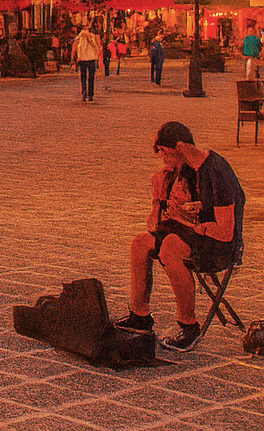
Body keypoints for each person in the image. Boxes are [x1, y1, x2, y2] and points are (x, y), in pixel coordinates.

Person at [118, 121, 245, 352]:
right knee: (140, 244)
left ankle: (189, 326)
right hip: (192, 232)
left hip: (219, 245)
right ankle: (140, 316)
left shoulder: (216, 171)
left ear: (179, 148)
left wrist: (191, 221)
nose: (164, 159)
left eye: (166, 153)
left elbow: (225, 233)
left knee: (170, 247)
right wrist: (158, 199)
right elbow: (154, 226)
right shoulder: (182, 170)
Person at [72, 26, 101, 103]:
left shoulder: (79, 38)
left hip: (82, 59)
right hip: (91, 59)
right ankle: (90, 94)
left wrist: (73, 58)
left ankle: (84, 93)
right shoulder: (93, 37)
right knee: (91, 77)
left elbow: (74, 48)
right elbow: (98, 46)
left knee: (83, 77)